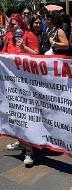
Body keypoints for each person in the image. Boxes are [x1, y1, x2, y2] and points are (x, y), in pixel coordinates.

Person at [3, 13, 39, 166]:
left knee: (26, 114)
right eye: (11, 24)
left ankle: (29, 150)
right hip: (10, 84)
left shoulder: (29, 35)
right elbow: (3, 53)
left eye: (15, 23)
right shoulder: (8, 36)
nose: (13, 26)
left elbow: (38, 55)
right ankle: (20, 141)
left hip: (25, 83)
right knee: (14, 113)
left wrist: (24, 48)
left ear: (21, 23)